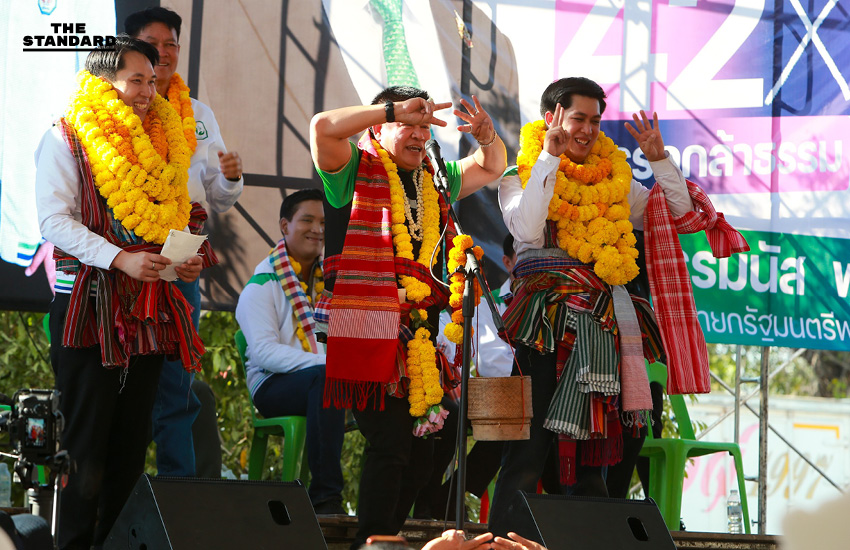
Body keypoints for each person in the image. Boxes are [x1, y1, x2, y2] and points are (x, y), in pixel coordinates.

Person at [488, 76, 696, 536]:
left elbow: (678, 216)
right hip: (542, 327)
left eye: (595, 122)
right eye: (578, 119)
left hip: (601, 329)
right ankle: (503, 542)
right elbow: (527, 229)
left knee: (594, 454)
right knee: (529, 451)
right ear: (552, 118)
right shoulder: (518, 175)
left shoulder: (616, 182)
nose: (587, 130)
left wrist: (659, 160)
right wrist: (549, 157)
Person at [310, 85, 506, 548]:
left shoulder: (434, 179)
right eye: (408, 124)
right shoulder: (353, 168)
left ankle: (385, 540)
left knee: (423, 452)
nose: (420, 134)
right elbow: (322, 128)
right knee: (392, 442)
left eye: (425, 125)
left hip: (418, 332)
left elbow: (491, 166)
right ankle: (371, 543)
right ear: (380, 127)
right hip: (366, 324)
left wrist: (487, 137)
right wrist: (390, 110)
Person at [35, 36, 207, 549]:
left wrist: (183, 258)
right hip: (88, 311)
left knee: (132, 447)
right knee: (85, 446)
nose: (148, 92)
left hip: (149, 313)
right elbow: (53, 221)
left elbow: (181, 212)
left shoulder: (162, 144)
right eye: (137, 80)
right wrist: (120, 258)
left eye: (152, 81)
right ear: (103, 82)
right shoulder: (66, 135)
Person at [124, 6, 244, 477]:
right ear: (130, 48)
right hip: (123, 256)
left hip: (180, 258)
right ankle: (121, 494)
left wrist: (230, 179)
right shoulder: (109, 111)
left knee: (177, 381)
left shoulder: (199, 114)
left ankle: (179, 493)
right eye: (152, 43)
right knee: (124, 379)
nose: (164, 52)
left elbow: (218, 196)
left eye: (171, 44)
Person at [235, 188, 345, 514]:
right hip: (272, 385)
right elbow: (264, 353)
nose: (317, 229)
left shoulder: (330, 283)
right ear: (285, 226)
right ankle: (325, 498)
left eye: (323, 222)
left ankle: (398, 508)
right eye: (307, 220)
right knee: (326, 379)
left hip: (323, 379)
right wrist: (325, 363)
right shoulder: (261, 285)